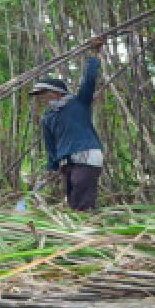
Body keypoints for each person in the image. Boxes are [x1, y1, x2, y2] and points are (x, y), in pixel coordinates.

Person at [29, 36, 106, 211]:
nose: (40, 98)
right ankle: (81, 227)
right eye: (38, 95)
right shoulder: (47, 118)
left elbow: (89, 81)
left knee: (81, 191)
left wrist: (94, 54)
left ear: (57, 93)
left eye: (43, 93)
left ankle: (86, 227)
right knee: (72, 197)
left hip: (87, 155)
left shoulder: (78, 103)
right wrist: (51, 167)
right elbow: (51, 147)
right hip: (66, 162)